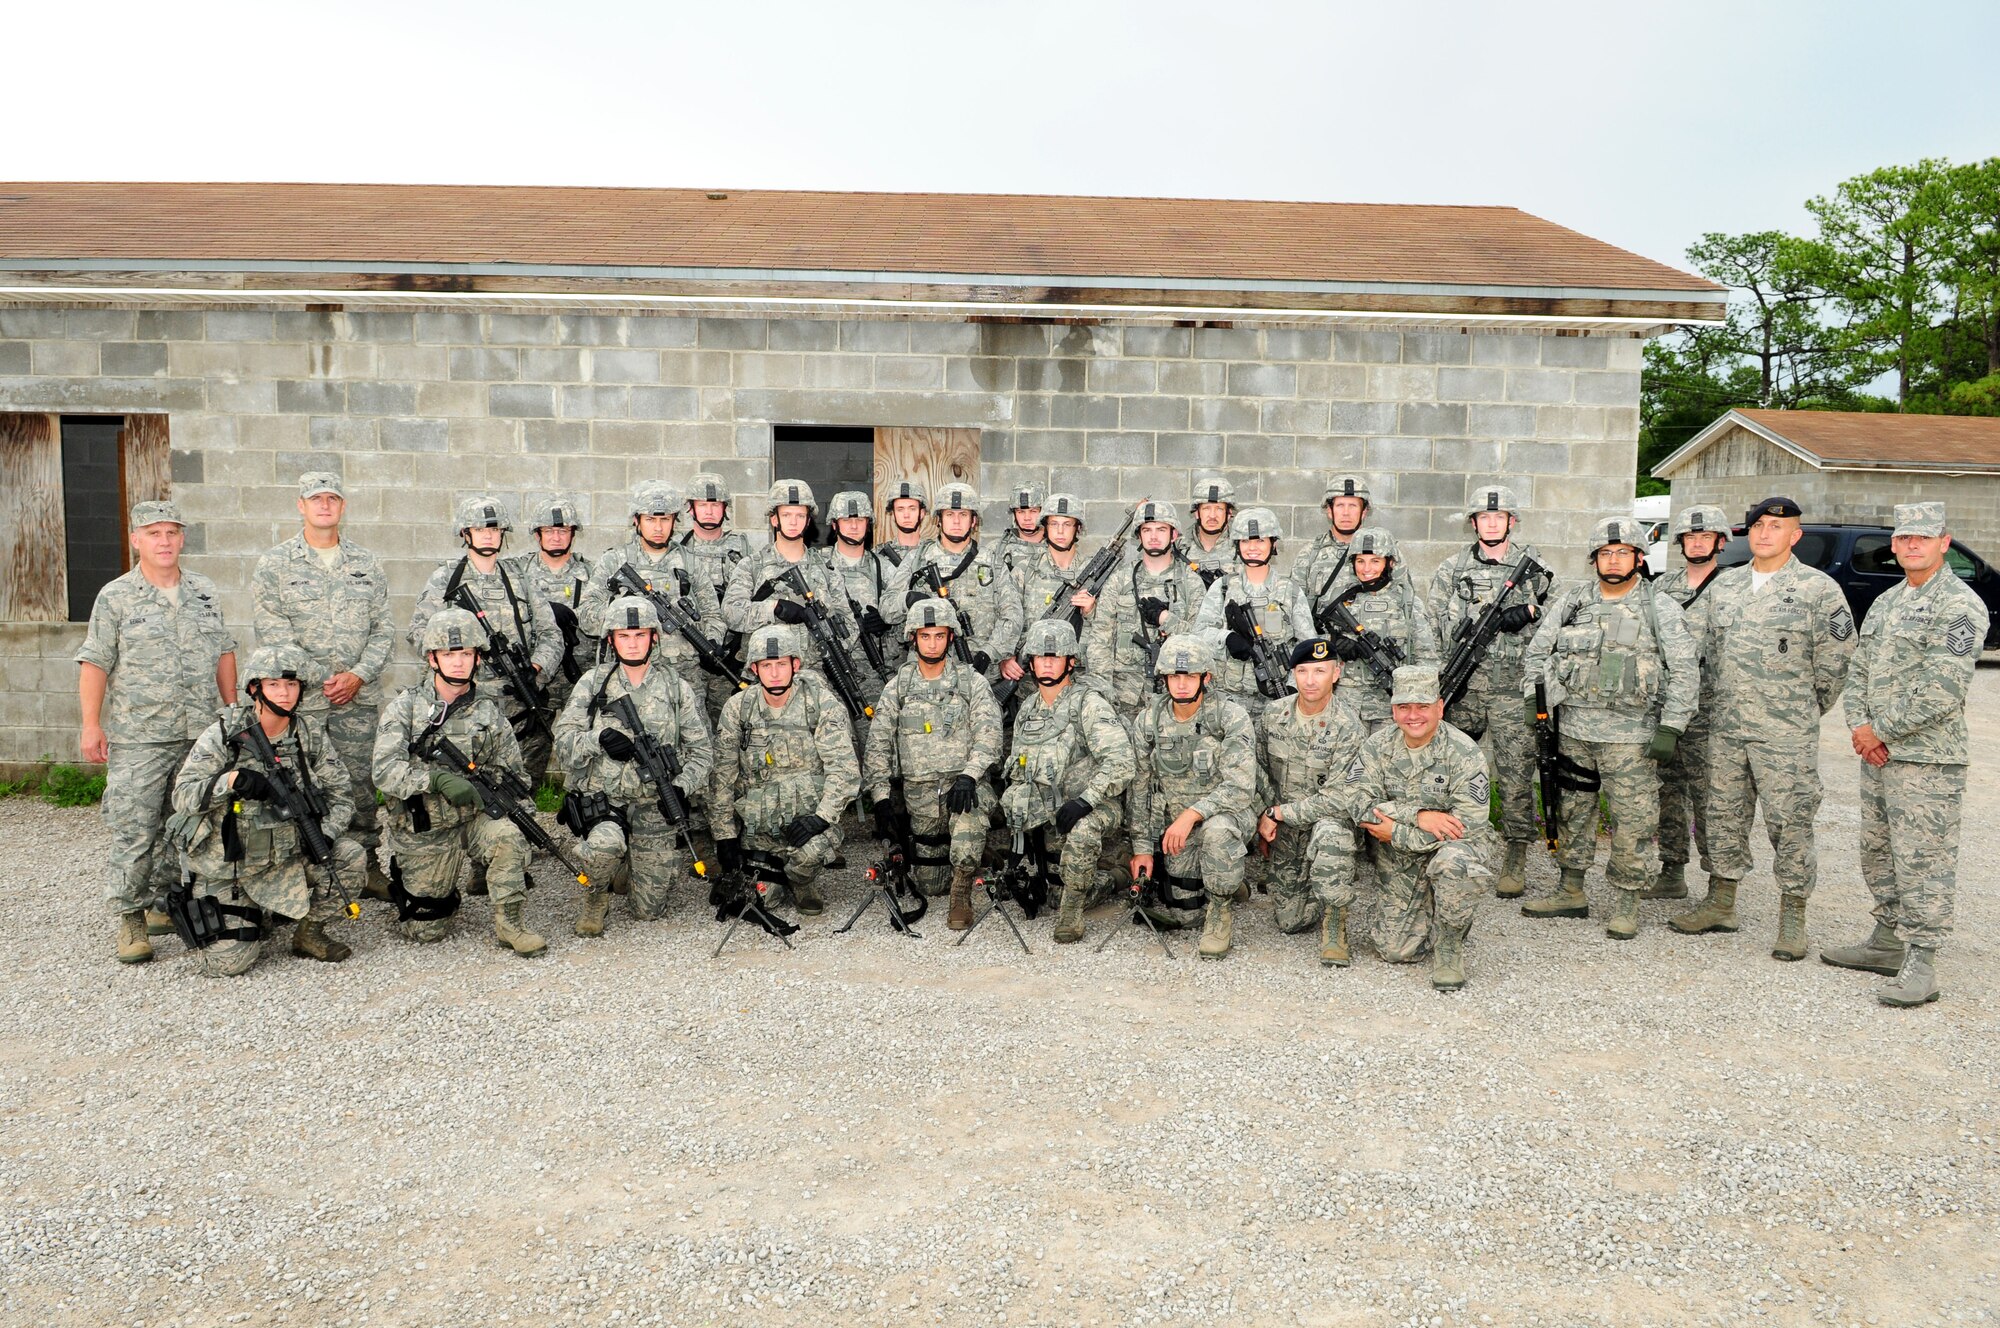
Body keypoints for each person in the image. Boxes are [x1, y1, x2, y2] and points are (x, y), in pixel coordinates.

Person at [1669, 496, 1853, 960]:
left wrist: (1798, 711)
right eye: (1758, 526)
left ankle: (1793, 917)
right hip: (1725, 728)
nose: (1764, 533)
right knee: (1724, 816)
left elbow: (1836, 664)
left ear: (1796, 535)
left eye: (1776, 526)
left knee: (1789, 823)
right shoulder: (1726, 587)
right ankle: (1721, 903)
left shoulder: (1818, 590)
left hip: (1784, 734)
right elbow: (1694, 646)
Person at [1825, 502, 1988, 1006]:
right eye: (1904, 538)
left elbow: (1943, 689)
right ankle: (1887, 941)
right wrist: (1859, 725)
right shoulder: (1887, 601)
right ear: (1894, 546)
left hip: (1928, 760)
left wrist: (1881, 732)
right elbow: (1859, 670)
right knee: (1877, 853)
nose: (1912, 545)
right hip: (1878, 753)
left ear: (1944, 543)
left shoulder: (1959, 605)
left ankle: (1923, 961)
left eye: (1924, 537)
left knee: (1924, 860)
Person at [76, 499, 238, 965]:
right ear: (135, 540)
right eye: (153, 533)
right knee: (135, 827)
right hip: (141, 736)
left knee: (181, 823)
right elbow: (95, 663)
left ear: (182, 538)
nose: (164, 541)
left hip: (199, 733)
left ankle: (164, 902)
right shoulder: (116, 596)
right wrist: (91, 725)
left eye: (171, 532)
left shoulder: (204, 591)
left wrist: (230, 713)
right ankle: (130, 916)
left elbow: (223, 653)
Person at [1520, 517, 1698, 938]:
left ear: (1639, 557)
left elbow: (1685, 672)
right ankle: (1571, 890)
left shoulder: (1660, 608)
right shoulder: (1573, 601)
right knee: (1571, 812)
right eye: (1605, 553)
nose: (1613, 560)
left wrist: (1671, 727)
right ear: (1594, 559)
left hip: (1632, 738)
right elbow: (1537, 654)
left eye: (1622, 553)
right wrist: (1535, 699)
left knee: (1633, 820)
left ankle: (1626, 902)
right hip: (1574, 732)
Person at [166, 645, 365, 974]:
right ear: (253, 689)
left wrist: (326, 834)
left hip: (285, 858)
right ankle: (255, 912)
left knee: (350, 856)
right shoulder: (223, 735)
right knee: (229, 964)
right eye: (273, 684)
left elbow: (342, 795)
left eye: (292, 685)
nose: (285, 693)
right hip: (229, 869)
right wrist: (230, 781)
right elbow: (183, 797)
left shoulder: (308, 736)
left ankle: (308, 934)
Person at [250, 472, 397, 899]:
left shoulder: (366, 564)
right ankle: (303, 870)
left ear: (343, 506)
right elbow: (273, 634)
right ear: (301, 505)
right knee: (301, 785)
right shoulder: (275, 565)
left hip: (358, 699)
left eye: (333, 498)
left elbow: (383, 629)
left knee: (359, 784)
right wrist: (319, 679)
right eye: (316, 499)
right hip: (300, 704)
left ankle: (366, 864)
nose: (325, 505)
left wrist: (358, 675)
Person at [372, 607, 540, 955]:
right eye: (450, 654)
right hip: (427, 826)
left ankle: (510, 924)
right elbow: (384, 771)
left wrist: (511, 807)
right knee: (427, 930)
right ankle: (432, 880)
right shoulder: (406, 707)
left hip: (475, 818)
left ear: (478, 659)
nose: (459, 662)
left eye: (466, 653)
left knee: (509, 836)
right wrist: (433, 779)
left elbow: (515, 773)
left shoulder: (489, 710)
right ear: (432, 659)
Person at [1315, 666, 1495, 990]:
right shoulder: (1377, 746)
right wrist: (1418, 815)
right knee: (1395, 951)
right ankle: (1428, 910)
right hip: (1398, 856)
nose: (1413, 716)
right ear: (1393, 709)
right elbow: (1356, 801)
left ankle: (1450, 942)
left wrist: (1396, 829)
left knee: (1457, 864)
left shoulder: (1464, 752)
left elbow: (1466, 827)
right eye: (1403, 707)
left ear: (1439, 707)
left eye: (1422, 706)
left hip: (1445, 849)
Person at [554, 596, 715, 936]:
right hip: (605, 800)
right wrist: (597, 739)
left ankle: (627, 866)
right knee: (605, 847)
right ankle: (596, 893)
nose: (632, 643)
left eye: (640, 635)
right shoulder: (594, 682)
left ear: (654, 638)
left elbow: (702, 752)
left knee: (648, 911)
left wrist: (682, 786)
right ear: (611, 640)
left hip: (654, 805)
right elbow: (563, 743)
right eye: (624, 636)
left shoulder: (675, 687)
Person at [1428, 485, 1559, 899]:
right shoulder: (1452, 568)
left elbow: (1561, 622)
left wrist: (1530, 614)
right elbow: (1432, 626)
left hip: (1511, 690)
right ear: (1473, 524)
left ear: (1511, 522)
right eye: (1483, 518)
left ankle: (1517, 851)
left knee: (1517, 774)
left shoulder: (1533, 568)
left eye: (1498, 517)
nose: (1490, 523)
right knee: (1445, 769)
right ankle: (1447, 841)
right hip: (1464, 689)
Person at [862, 597, 1004, 928]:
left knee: (967, 821)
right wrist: (881, 801)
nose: (932, 643)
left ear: (950, 638)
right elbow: (878, 745)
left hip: (965, 788)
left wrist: (969, 776)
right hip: (921, 796)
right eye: (925, 636)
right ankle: (973, 855)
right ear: (913, 638)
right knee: (930, 884)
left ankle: (962, 894)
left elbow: (990, 737)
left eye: (939, 636)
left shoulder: (972, 682)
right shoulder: (898, 687)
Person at [708, 625, 860, 919]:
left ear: (796, 665)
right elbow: (722, 777)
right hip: (759, 830)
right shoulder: (737, 708)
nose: (775, 673)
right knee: (764, 903)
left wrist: (821, 818)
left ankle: (801, 880)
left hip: (807, 827)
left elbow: (844, 768)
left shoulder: (820, 703)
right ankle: (774, 874)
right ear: (754, 669)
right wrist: (724, 836)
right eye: (767, 665)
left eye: (781, 664)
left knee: (811, 855)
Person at [407, 495, 562, 783]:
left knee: (521, 783)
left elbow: (551, 634)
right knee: (468, 783)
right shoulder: (445, 579)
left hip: (517, 698)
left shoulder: (520, 578)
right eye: (480, 530)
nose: (488, 535)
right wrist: (459, 664)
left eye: (494, 530)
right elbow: (419, 634)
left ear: (503, 534)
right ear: (466, 534)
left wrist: (536, 668)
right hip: (463, 703)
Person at [998, 620, 1135, 943]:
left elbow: (1121, 762)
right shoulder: (1028, 709)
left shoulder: (1088, 704)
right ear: (1030, 663)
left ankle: (1073, 910)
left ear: (1070, 662)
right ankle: (1090, 878)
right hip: (1049, 804)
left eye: (1055, 657)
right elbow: (1020, 767)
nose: (1047, 663)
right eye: (1040, 657)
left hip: (1094, 804)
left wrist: (1085, 800)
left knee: (1082, 832)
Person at [1127, 634, 1257, 959]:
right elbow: (1140, 788)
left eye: (1189, 675)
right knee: (1186, 915)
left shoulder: (1229, 716)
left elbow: (1240, 785)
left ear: (1206, 678)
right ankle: (1225, 879)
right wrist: (1142, 848)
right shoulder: (1149, 721)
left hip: (1227, 815)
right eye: (1174, 675)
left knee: (1216, 834)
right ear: (1164, 678)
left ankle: (1221, 910)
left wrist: (1192, 814)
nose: (1181, 684)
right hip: (1178, 828)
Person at [1254, 637, 1369, 955]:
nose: (1310, 680)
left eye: (1320, 671)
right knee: (1290, 922)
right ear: (1292, 674)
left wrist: (1278, 813)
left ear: (1336, 672)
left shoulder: (1349, 726)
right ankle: (1314, 885)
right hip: (1286, 829)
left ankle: (1335, 918)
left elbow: (1339, 797)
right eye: (1302, 671)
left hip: (1324, 823)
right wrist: (1265, 812)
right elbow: (1258, 770)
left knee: (1333, 832)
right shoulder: (1273, 715)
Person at [577, 480, 729, 700]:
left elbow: (713, 616)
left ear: (675, 521)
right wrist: (623, 606)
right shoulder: (614, 560)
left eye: (665, 519)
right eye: (650, 519)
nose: (658, 528)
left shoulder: (690, 563)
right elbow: (586, 617)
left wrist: (712, 640)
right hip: (625, 680)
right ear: (637, 521)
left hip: (683, 680)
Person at [1648, 504, 1730, 900]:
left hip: (1712, 715)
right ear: (1680, 543)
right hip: (1666, 708)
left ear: (1720, 542)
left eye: (1705, 537)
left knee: (1712, 799)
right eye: (1690, 537)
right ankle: (1671, 871)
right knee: (1667, 791)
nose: (1697, 543)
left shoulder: (1733, 588)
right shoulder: (1663, 588)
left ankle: (1718, 888)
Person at [723, 480, 868, 700]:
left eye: (800, 516)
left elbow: (848, 625)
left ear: (808, 520)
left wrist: (824, 644)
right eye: (787, 515)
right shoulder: (752, 566)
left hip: (817, 679)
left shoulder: (826, 569)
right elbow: (732, 613)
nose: (793, 522)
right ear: (774, 518)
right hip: (765, 684)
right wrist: (773, 609)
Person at [503, 495, 597, 776]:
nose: (556, 536)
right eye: (549, 531)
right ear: (537, 534)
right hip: (535, 675)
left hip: (578, 675)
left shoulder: (591, 573)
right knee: (527, 752)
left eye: (563, 530)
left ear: (572, 534)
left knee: (583, 752)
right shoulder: (518, 571)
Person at [1192, 508, 1316, 719]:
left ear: (1273, 544)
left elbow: (1308, 646)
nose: (1252, 548)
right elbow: (1199, 634)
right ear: (1237, 546)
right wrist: (1227, 637)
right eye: (1245, 541)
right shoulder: (1222, 588)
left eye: (1260, 541)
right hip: (1227, 700)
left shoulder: (1290, 591)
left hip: (1277, 700)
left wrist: (1293, 688)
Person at [1087, 498, 1210, 710]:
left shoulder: (1191, 583)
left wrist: (1167, 620)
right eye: (1147, 530)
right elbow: (1101, 640)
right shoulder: (1119, 580)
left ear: (1173, 535)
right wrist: (1103, 693)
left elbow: (1202, 640)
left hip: (1176, 695)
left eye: (1161, 530)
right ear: (1139, 536)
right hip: (1125, 695)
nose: (1153, 536)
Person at [899, 482, 1023, 683]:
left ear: (974, 521)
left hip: (980, 674)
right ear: (938, 520)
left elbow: (1012, 614)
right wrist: (907, 599)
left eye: (963, 515)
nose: (956, 521)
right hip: (926, 674)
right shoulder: (917, 559)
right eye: (949, 514)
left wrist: (989, 653)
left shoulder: (992, 561)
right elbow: (887, 608)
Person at [1320, 527, 1438, 732]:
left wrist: (1416, 705)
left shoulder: (1408, 603)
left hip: (1390, 707)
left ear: (1389, 563)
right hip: (1346, 705)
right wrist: (1334, 643)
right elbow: (1316, 643)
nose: (1366, 568)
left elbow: (1427, 658)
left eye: (1375, 561)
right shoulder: (1343, 599)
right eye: (1360, 561)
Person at [1005, 492, 1104, 687]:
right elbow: (1007, 618)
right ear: (1045, 527)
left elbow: (1107, 630)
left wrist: (1091, 612)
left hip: (1079, 676)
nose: (1060, 531)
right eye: (1054, 524)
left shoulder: (1095, 573)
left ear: (1078, 529)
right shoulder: (1024, 570)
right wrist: (1006, 657)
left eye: (1067, 524)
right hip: (1029, 678)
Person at [821, 489, 897, 706]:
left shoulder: (884, 568)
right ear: (834, 525)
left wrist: (888, 622)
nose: (854, 526)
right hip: (829, 671)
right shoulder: (818, 565)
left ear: (869, 524)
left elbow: (910, 625)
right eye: (846, 520)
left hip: (874, 674)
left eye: (860, 520)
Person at [676, 471, 753, 618]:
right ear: (691, 509)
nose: (709, 512)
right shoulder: (677, 548)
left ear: (724, 508)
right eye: (703, 505)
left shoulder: (743, 549)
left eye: (715, 505)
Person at [1178, 475, 1241, 588]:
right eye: (1206, 508)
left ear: (1229, 514)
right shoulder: (1179, 549)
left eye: (1219, 509)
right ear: (1197, 513)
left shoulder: (1243, 549)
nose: (1212, 515)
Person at [995, 481, 1047, 578]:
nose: (1027, 518)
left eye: (1033, 511)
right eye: (1021, 512)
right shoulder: (997, 550)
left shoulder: (1056, 548)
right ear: (1014, 513)